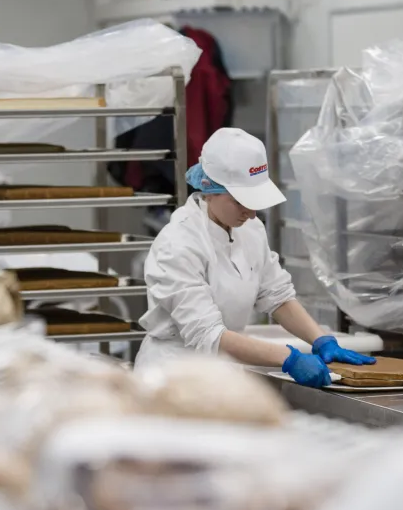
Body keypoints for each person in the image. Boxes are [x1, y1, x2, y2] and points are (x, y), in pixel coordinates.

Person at [136, 128, 375, 387]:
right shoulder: (178, 244)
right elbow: (209, 335)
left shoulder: (249, 228)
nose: (250, 213)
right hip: (171, 377)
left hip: (221, 375)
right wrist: (290, 359)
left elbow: (276, 295)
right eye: (240, 202)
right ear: (210, 189)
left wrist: (320, 339)